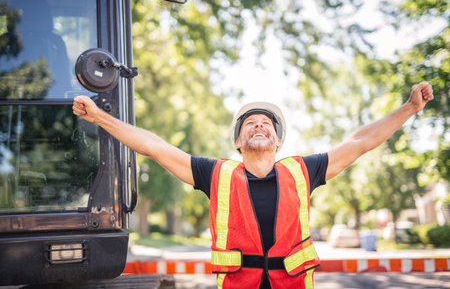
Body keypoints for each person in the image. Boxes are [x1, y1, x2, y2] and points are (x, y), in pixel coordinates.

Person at [73, 82, 434, 289]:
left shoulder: (303, 171)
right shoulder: (214, 174)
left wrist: (408, 108)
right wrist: (98, 116)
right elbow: (154, 146)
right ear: (238, 142)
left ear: (277, 142)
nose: (259, 126)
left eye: (267, 124)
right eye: (250, 124)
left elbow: (360, 141)